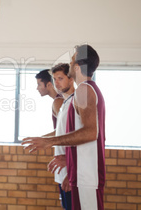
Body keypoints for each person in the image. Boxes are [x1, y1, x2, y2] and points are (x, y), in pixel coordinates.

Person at [22, 44, 105, 210]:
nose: (70, 63)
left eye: (72, 59)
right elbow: (81, 133)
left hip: (85, 174)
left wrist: (50, 141)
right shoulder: (82, 91)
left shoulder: (85, 90)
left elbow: (90, 132)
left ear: (77, 66)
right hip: (81, 173)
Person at [47, 63, 75, 210]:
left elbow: (84, 140)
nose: (56, 83)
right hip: (63, 174)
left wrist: (72, 173)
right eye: (54, 79)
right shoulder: (65, 104)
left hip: (71, 175)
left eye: (60, 78)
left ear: (71, 79)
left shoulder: (76, 104)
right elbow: (61, 135)